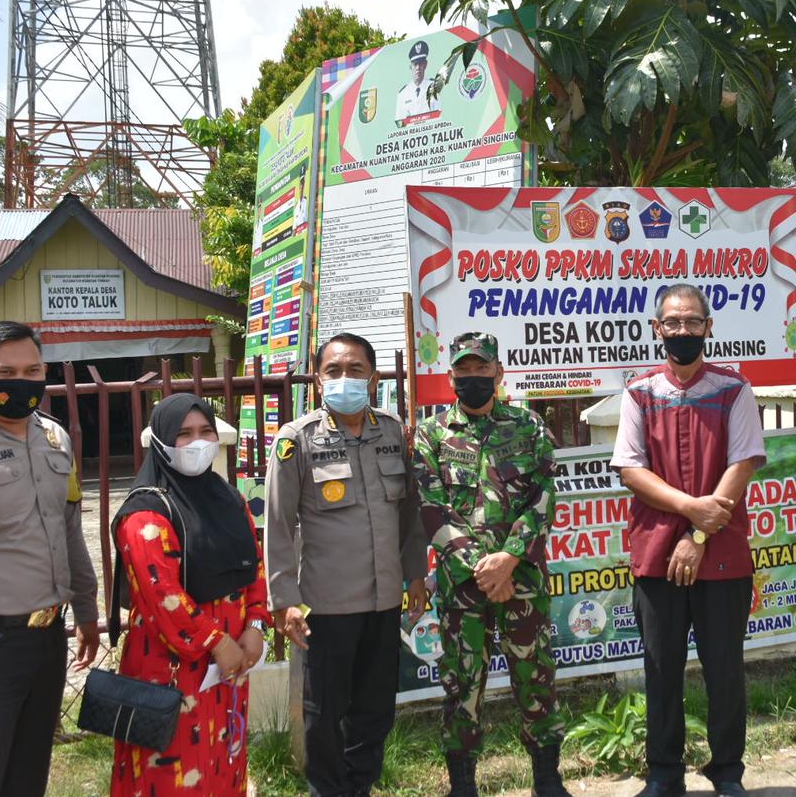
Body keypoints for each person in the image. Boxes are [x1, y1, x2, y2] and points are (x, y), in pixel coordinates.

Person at [610, 284, 766, 797]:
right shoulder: (638, 393)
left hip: (722, 554)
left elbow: (742, 464)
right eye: (672, 323)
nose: (682, 331)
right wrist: (688, 509)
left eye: (691, 322)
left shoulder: (734, 390)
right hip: (655, 554)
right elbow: (630, 470)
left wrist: (698, 531)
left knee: (725, 669)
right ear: (656, 329)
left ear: (709, 327)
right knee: (661, 671)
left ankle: (728, 773)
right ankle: (663, 774)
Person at [266, 332, 428, 797]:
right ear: (318, 381)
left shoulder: (393, 432)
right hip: (327, 605)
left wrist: (415, 572)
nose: (344, 379)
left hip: (383, 601)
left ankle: (359, 788)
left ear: (373, 378)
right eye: (333, 371)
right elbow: (277, 524)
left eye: (355, 370)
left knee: (376, 710)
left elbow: (409, 513)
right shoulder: (296, 441)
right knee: (324, 716)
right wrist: (285, 600)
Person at [412, 332, 569, 797]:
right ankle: (462, 785)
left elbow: (544, 498)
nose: (474, 378)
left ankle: (547, 778)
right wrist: (483, 568)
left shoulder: (530, 427)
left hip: (521, 579)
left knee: (535, 676)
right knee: (463, 684)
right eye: (465, 371)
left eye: (483, 370)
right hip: (462, 586)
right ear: (451, 376)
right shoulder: (431, 434)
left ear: (499, 374)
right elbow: (431, 509)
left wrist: (509, 558)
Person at [0, 320, 98, 797]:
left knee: (28, 776)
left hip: (46, 638)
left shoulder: (55, 439)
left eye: (32, 370)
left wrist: (87, 612)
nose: (21, 381)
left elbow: (69, 529)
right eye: (4, 371)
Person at [109, 393, 268, 795]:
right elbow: (163, 597)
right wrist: (217, 642)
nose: (197, 442)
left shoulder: (229, 499)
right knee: (166, 774)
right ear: (161, 442)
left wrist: (254, 624)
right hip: (171, 671)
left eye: (205, 432)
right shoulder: (145, 514)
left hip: (229, 665)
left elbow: (253, 563)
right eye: (183, 434)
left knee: (223, 761)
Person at [395, 40, 439, 120]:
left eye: (420, 63)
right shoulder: (403, 94)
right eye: (415, 64)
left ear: (425, 65)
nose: (418, 68)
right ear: (411, 67)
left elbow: (439, 115)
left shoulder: (434, 87)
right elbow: (399, 123)